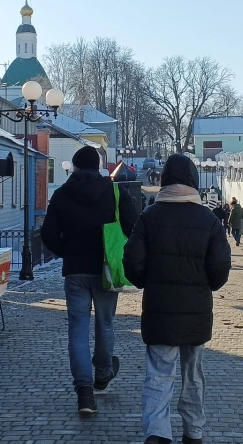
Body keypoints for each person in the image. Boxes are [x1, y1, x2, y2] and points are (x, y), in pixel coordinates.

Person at [123, 154, 231, 444]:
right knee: (193, 373)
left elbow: (132, 261)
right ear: (194, 181)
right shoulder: (208, 220)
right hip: (196, 308)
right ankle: (193, 431)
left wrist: (149, 283)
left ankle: (157, 432)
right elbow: (220, 267)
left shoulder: (149, 217)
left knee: (159, 373)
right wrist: (206, 285)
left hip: (159, 306)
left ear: (165, 180)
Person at [41, 145, 139, 416]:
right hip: (106, 268)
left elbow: (48, 234)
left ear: (74, 167)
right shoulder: (115, 191)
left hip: (75, 271)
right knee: (105, 323)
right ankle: (103, 374)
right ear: (98, 166)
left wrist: (67, 251)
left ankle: (84, 392)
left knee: (77, 330)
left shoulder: (61, 195)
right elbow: (133, 226)